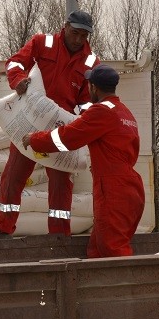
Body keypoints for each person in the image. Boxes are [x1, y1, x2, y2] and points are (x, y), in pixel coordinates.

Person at [0, 9, 99, 238]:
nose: (79, 40)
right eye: (75, 33)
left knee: (61, 184)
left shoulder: (91, 62)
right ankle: (3, 229)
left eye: (84, 36)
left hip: (61, 130)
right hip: (30, 123)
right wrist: (18, 80)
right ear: (65, 26)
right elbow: (14, 64)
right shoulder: (42, 43)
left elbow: (86, 100)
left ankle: (59, 236)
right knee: (12, 177)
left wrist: (84, 123)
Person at [23, 65, 144, 258]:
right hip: (131, 188)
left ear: (94, 87)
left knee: (113, 252)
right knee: (97, 250)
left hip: (113, 189)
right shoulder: (125, 112)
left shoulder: (101, 112)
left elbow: (67, 138)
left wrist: (35, 140)